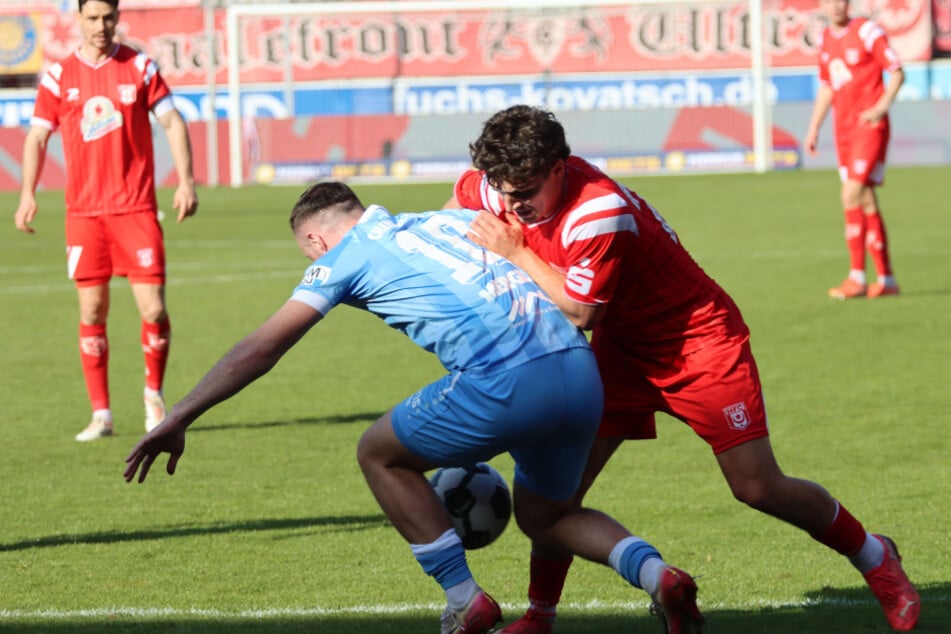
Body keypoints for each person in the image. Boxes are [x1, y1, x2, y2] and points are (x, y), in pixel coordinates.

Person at [122, 182, 704, 634]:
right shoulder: (445, 219)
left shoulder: (340, 257)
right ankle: (661, 577)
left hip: (506, 380)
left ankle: (463, 602)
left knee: (379, 453)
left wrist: (181, 414)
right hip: (580, 372)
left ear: (317, 242)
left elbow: (264, 345)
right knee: (547, 518)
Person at [449, 105, 919, 633]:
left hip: (697, 344)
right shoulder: (503, 186)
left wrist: (513, 251)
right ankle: (540, 617)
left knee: (757, 487)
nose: (512, 204)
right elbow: (459, 204)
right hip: (620, 352)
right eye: (504, 190)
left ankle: (876, 556)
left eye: (525, 191)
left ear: (559, 167)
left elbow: (580, 312)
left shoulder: (598, 211)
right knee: (558, 494)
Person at [14, 0, 199, 441]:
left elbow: (172, 121)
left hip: (135, 210)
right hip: (84, 215)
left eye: (108, 17)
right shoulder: (60, 77)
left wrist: (186, 180)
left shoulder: (140, 67)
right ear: (78, 19)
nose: (101, 26)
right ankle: (102, 414)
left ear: (118, 18)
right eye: (93, 18)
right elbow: (38, 136)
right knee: (92, 310)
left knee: (153, 308)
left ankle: (154, 397)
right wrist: (27, 194)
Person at [804, 0, 904, 300]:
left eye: (841, 1)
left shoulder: (867, 31)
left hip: (869, 127)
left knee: (850, 193)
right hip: (843, 131)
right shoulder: (825, 40)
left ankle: (857, 277)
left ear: (848, 4)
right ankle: (886, 280)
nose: (835, 6)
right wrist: (814, 127)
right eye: (829, 1)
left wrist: (880, 107)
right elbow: (826, 86)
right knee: (867, 199)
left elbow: (897, 71)